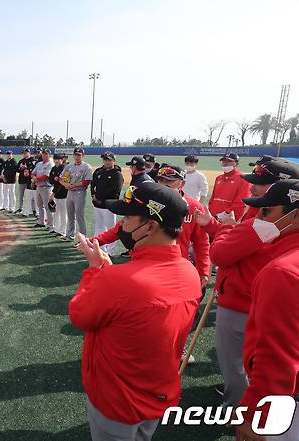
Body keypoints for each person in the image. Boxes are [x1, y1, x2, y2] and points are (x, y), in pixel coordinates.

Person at [69, 183, 201, 441]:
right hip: (158, 392)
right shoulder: (189, 271)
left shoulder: (118, 280)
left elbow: (80, 315)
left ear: (151, 227)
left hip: (116, 400)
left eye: (128, 217)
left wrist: (96, 271)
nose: (121, 225)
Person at [208, 168, 299, 409]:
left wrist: (225, 228)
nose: (259, 215)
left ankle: (238, 408)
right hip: (253, 304)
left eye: (266, 210)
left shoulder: (280, 266)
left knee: (241, 365)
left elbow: (220, 254)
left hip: (239, 305)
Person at [234, 179, 299, 441]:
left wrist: (255, 413)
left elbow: (277, 357)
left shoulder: (281, 272)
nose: (258, 218)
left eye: (266, 211)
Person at [90, 151, 124, 254]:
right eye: (105, 159)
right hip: (97, 205)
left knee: (111, 229)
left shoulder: (117, 174)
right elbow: (93, 184)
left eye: (109, 160)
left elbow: (115, 191)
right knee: (99, 226)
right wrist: (93, 195)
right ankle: (99, 249)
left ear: (113, 161)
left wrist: (99, 197)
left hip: (109, 205)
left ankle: (111, 251)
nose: (106, 162)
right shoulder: (99, 171)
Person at [207, 153, 250, 224]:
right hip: (214, 217)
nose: (225, 163)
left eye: (229, 161)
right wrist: (210, 211)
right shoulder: (218, 178)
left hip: (229, 219)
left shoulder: (243, 179)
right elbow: (213, 198)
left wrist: (226, 213)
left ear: (236, 163)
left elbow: (240, 202)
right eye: (224, 161)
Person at [61, 147, 93, 239]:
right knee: (70, 215)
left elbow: (86, 182)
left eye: (79, 155)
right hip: (70, 193)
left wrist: (73, 185)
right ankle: (70, 235)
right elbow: (61, 179)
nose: (77, 157)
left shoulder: (86, 166)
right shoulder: (69, 166)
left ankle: (83, 239)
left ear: (83, 156)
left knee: (79, 216)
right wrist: (65, 185)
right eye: (75, 154)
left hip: (80, 192)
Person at [31, 149, 54, 229]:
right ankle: (41, 222)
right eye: (44, 154)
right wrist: (34, 178)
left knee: (47, 206)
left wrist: (35, 179)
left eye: (46, 154)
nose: (45, 156)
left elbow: (46, 176)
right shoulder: (39, 164)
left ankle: (50, 224)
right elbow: (33, 173)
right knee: (40, 205)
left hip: (46, 187)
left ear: (49, 155)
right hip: (39, 187)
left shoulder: (50, 164)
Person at [49, 154, 68, 238]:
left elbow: (64, 183)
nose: (56, 160)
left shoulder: (64, 168)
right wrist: (54, 179)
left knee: (63, 213)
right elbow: (50, 180)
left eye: (58, 159)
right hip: (56, 193)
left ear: (62, 160)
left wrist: (53, 192)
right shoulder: (53, 168)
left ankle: (62, 231)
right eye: (55, 159)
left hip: (64, 194)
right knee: (56, 212)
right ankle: (56, 229)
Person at [16, 149, 35, 214]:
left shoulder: (32, 160)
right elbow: (17, 170)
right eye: (24, 153)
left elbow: (34, 168)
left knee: (31, 196)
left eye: (26, 153)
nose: (25, 154)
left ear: (29, 153)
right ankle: (20, 208)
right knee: (21, 195)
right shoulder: (21, 161)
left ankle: (33, 210)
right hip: (22, 180)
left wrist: (27, 168)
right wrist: (21, 168)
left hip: (29, 181)